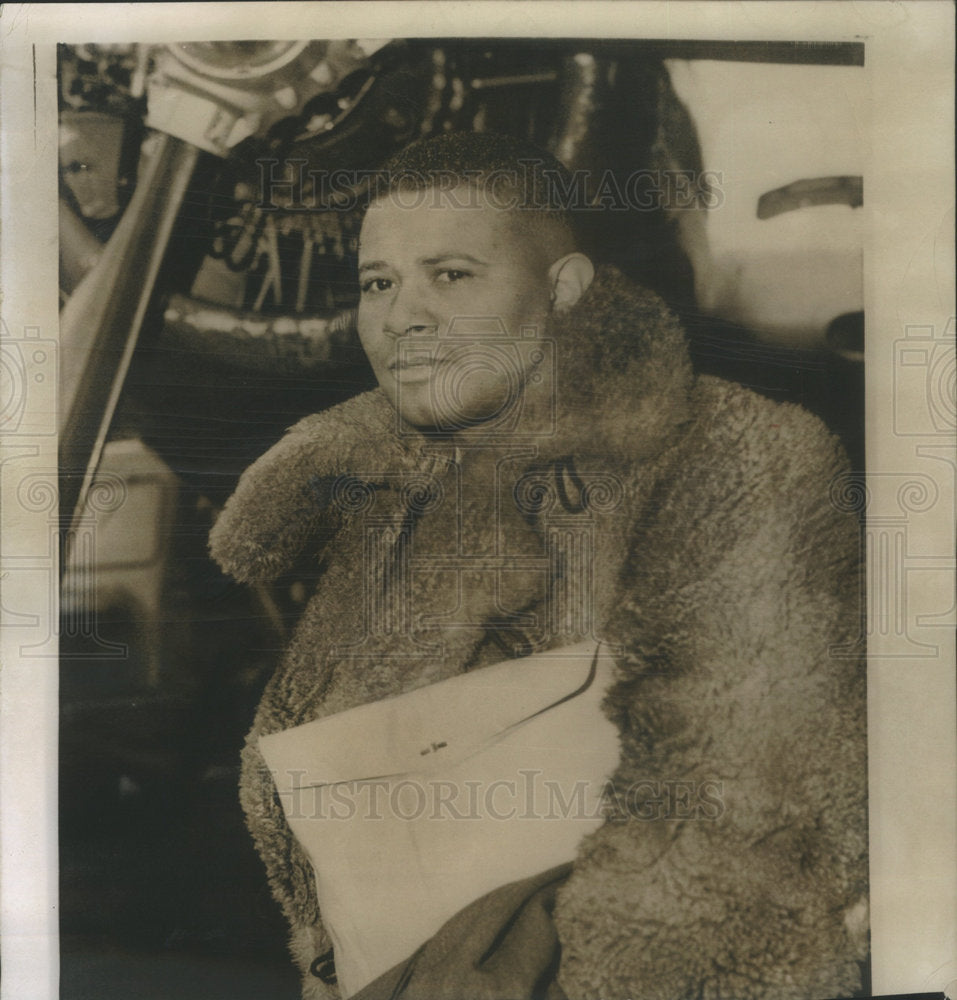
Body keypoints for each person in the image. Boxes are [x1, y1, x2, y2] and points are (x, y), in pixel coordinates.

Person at [210, 131, 868, 1000]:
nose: (403, 313)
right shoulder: (393, 494)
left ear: (564, 291)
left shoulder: (740, 460)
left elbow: (737, 846)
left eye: (451, 274)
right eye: (379, 282)